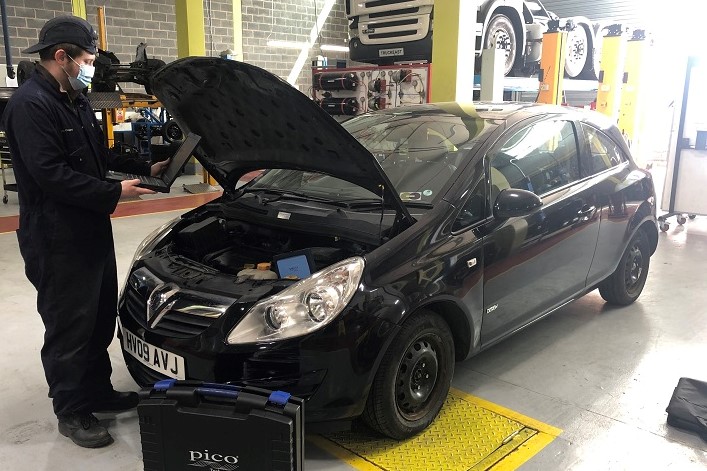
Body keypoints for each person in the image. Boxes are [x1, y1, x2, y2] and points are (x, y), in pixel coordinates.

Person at [2, 16, 169, 448]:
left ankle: (96, 391)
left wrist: (143, 169)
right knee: (68, 326)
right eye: (88, 59)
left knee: (97, 319)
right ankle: (71, 410)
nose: (91, 66)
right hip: (55, 238)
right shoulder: (30, 105)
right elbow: (51, 176)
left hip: (89, 229)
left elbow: (99, 153)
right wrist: (114, 192)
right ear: (62, 57)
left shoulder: (73, 99)